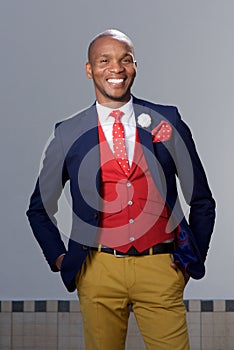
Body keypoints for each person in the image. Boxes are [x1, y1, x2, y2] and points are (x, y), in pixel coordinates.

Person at [27, 29, 216, 350]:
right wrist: (61, 258)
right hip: (97, 270)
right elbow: (39, 209)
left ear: (135, 66)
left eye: (125, 60)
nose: (116, 68)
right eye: (104, 60)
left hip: (161, 266)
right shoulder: (68, 133)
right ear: (90, 69)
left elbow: (201, 199)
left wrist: (191, 259)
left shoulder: (165, 120)